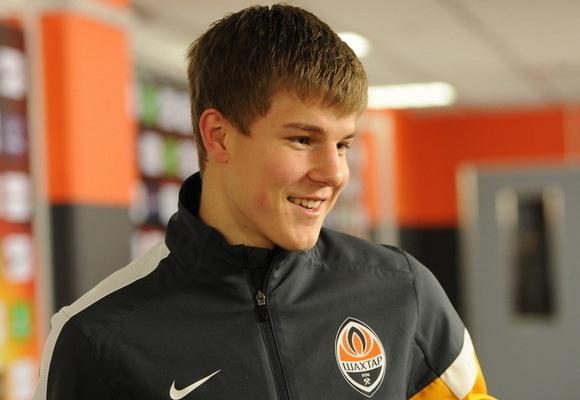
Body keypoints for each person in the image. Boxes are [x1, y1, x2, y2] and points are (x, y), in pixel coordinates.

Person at [33, 4, 495, 399]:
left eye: (342, 144)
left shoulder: (402, 290)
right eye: (302, 139)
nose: (335, 173)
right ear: (219, 136)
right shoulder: (98, 337)